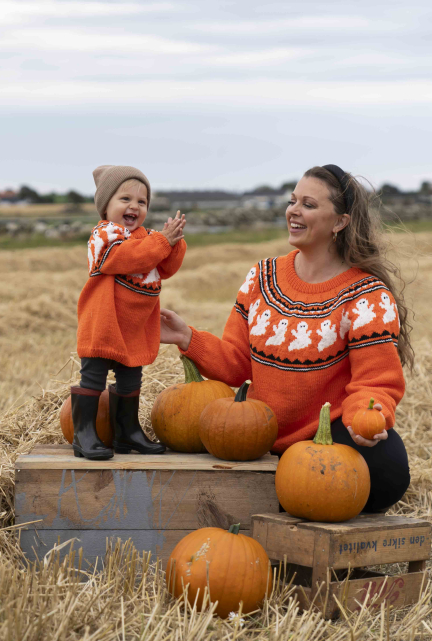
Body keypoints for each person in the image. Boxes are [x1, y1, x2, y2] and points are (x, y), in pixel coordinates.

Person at [160, 164, 413, 513]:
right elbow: (237, 365)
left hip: (327, 437)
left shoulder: (367, 295)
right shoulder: (261, 277)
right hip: (259, 435)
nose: (293, 210)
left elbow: (376, 382)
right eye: (292, 201)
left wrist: (363, 420)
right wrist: (187, 337)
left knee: (387, 470)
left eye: (308, 204)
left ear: (340, 222)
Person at [73, 164, 186, 459]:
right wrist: (161, 241)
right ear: (105, 206)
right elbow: (129, 258)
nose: (134, 206)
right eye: (125, 199)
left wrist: (174, 243)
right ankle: (83, 434)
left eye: (142, 201)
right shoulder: (104, 235)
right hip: (104, 321)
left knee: (131, 377)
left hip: (134, 325)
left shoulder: (147, 237)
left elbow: (166, 267)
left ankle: (127, 433)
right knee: (93, 378)